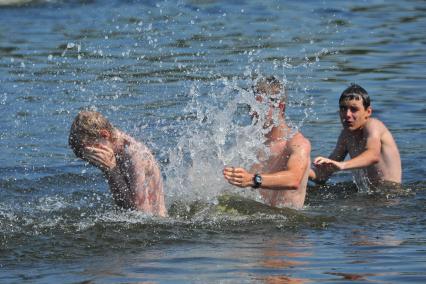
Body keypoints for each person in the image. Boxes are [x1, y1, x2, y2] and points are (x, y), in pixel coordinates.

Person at [223, 76, 311, 209]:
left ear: (280, 107)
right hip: (258, 216)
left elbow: (294, 179)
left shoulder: (297, 144)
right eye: (250, 106)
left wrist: (252, 180)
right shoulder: (250, 140)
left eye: (259, 106)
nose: (252, 112)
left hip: (287, 222)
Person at [68, 110, 167, 217]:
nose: (93, 156)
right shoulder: (114, 142)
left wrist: (112, 170)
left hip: (155, 223)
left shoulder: (133, 155)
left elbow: (142, 213)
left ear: (105, 135)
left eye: (92, 150)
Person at [309, 83, 402, 189]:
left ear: (368, 112)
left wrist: (341, 165)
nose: (347, 114)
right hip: (369, 196)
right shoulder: (346, 135)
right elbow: (322, 176)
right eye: (343, 108)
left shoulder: (373, 125)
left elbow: (373, 155)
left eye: (354, 109)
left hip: (390, 195)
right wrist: (300, 170)